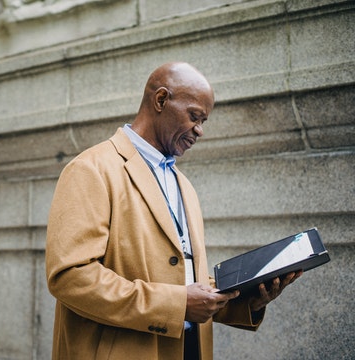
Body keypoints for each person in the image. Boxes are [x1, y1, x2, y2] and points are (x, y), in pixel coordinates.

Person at [45, 62, 302, 360]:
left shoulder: (185, 185)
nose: (200, 130)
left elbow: (185, 278)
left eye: (204, 120)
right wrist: (176, 304)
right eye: (194, 116)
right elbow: (71, 277)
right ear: (161, 100)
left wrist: (247, 300)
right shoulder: (90, 169)